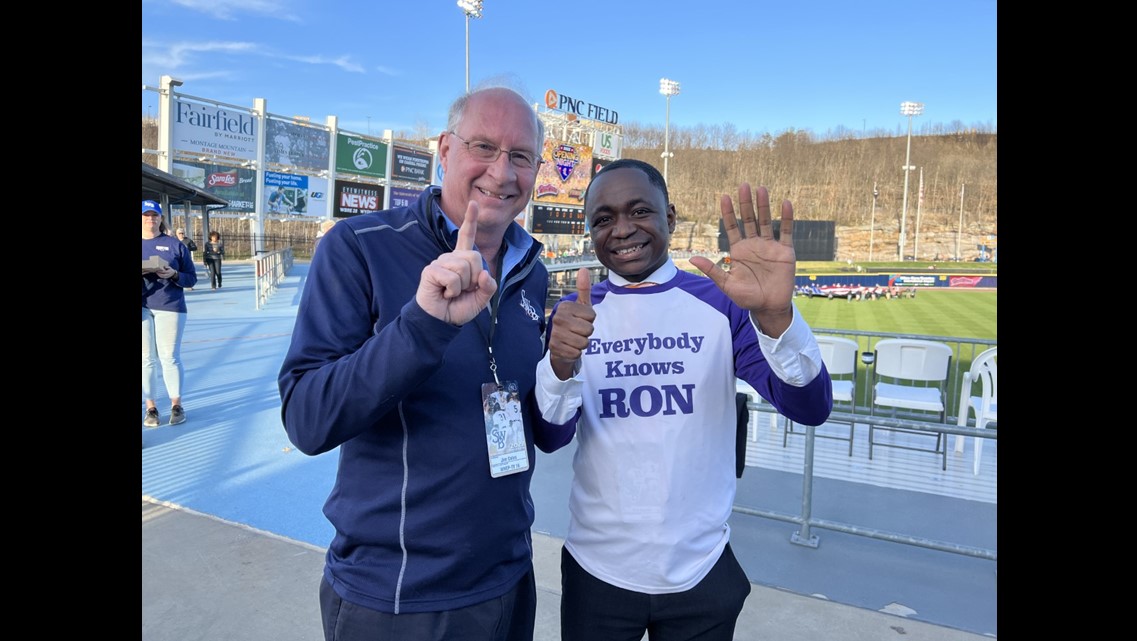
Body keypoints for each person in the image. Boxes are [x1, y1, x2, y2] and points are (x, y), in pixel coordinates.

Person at [278, 84, 566, 641]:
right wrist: (423, 324)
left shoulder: (531, 269)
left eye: (521, 156)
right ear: (445, 150)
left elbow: (535, 425)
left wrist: (563, 375)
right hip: (397, 598)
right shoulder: (360, 246)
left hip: (506, 580)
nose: (502, 173)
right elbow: (307, 419)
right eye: (483, 146)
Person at [536, 159, 834, 641]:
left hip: (701, 572)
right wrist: (559, 364)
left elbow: (809, 407)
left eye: (639, 211)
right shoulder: (577, 316)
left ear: (670, 217)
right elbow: (551, 436)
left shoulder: (722, 304)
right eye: (604, 219)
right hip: (598, 572)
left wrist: (778, 317)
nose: (623, 229)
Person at [142, 199, 198, 427]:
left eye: (154, 215)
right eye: (146, 215)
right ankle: (151, 408)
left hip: (170, 305)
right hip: (143, 306)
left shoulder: (176, 245)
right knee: (146, 360)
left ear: (161, 218)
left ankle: (176, 405)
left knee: (170, 357)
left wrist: (174, 274)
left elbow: (191, 278)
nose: (150, 219)